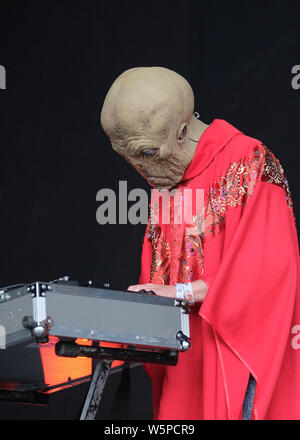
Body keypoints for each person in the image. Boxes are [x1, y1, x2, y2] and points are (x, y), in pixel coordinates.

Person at [100, 66, 300, 420]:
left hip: (235, 357)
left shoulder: (247, 159)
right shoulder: (168, 180)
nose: (139, 169)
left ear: (181, 131)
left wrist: (183, 293)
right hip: (186, 364)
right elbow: (162, 278)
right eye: (125, 156)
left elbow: (270, 275)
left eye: (146, 154)